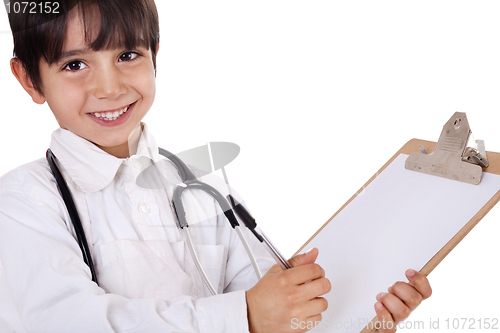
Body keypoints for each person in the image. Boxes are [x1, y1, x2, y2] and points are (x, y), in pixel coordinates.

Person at [0, 1, 432, 332]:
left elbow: (270, 311)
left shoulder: (201, 186)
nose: (109, 87)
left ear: (155, 53)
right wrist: (244, 314)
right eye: (75, 65)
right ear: (29, 79)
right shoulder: (23, 203)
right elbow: (72, 322)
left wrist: (358, 313)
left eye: (127, 55)